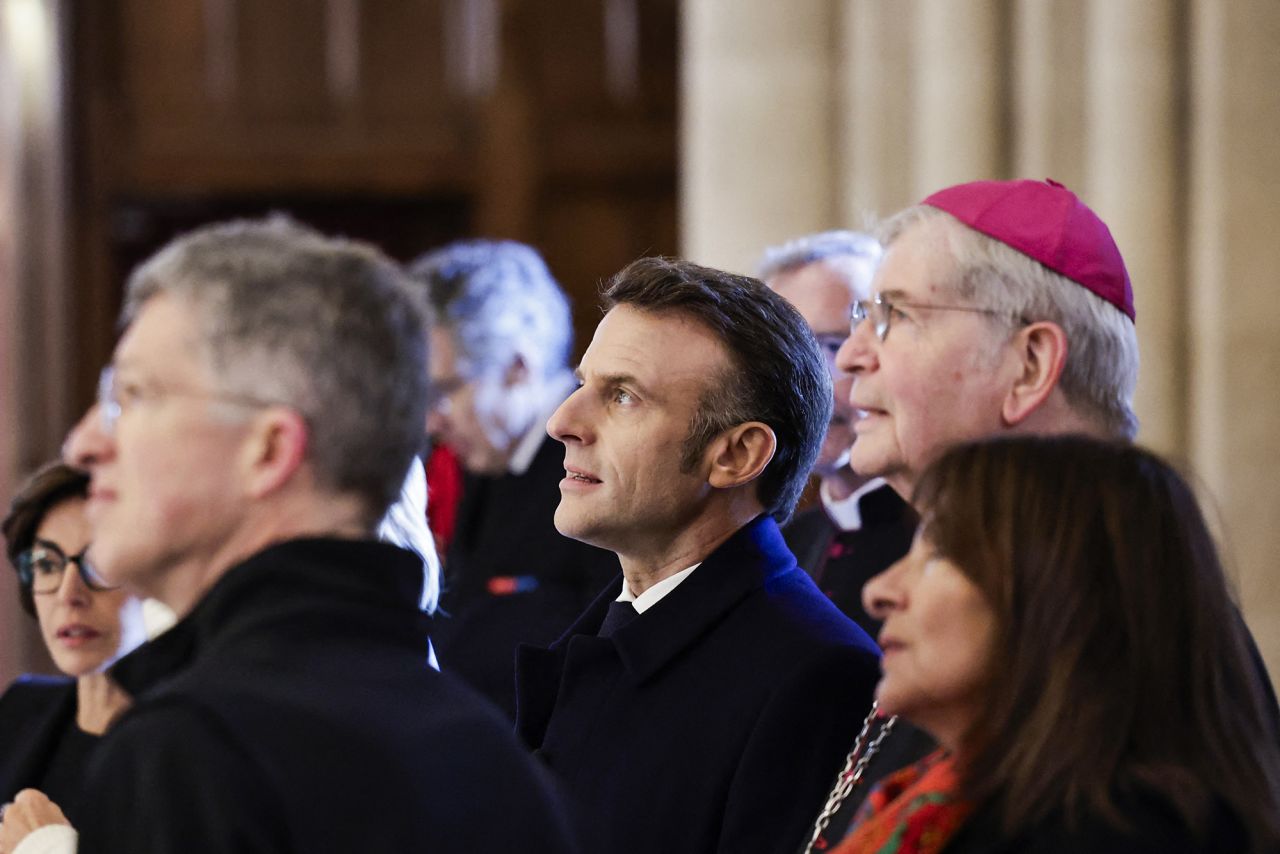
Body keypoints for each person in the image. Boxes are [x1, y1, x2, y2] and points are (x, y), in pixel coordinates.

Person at [3, 218, 579, 854]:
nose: (84, 444)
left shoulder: (194, 752)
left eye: (134, 396)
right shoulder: (487, 752)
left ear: (269, 449)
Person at [802, 176, 1279, 850]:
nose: (851, 357)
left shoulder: (1123, 627)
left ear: (1029, 364)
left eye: (896, 316)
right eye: (862, 318)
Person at [514, 257, 882, 854]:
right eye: (584, 383)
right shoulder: (604, 633)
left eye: (624, 397)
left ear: (735, 455)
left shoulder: (816, 677)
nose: (563, 421)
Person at [833, 435, 1280, 853]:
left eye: (941, 554)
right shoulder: (952, 804)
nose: (878, 592)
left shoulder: (1124, 836)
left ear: (1068, 593)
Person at [408, 239, 617, 719]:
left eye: (444, 391)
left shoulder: (603, 466)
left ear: (517, 369)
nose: (429, 422)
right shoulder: (486, 460)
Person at [758, 230, 916, 638]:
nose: (811, 385)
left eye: (833, 345)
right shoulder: (777, 550)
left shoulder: (949, 540)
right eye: (789, 354)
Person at [0, 463, 145, 827]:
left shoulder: (190, 740)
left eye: (98, 564)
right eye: (47, 564)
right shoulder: (19, 709)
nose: (69, 594)